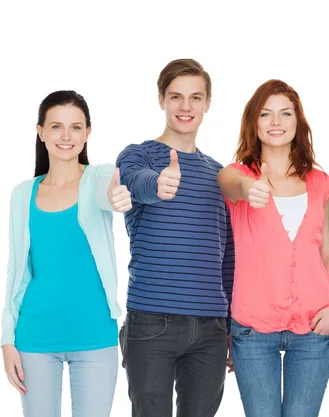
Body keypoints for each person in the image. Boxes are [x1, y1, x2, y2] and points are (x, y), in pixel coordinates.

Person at [217, 79, 329, 417]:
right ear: (254, 123)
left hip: (315, 322)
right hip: (253, 327)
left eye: (285, 114)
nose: (276, 122)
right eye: (266, 114)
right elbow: (230, 184)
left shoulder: (319, 181)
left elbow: (327, 254)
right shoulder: (237, 175)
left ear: (297, 122)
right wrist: (248, 188)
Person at [1, 90, 132, 417]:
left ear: (88, 133)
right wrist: (7, 339)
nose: (66, 136)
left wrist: (121, 193)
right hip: (34, 336)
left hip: (95, 334)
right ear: (41, 132)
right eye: (56, 126)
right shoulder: (22, 195)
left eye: (76, 127)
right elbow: (16, 271)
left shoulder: (98, 178)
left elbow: (112, 187)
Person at [116, 58, 234, 417]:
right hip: (152, 322)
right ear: (161, 100)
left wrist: (230, 325)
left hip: (211, 328)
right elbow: (133, 180)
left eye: (195, 98)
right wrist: (158, 184)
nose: (186, 107)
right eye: (176, 97)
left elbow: (226, 256)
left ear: (207, 103)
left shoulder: (219, 174)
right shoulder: (140, 155)